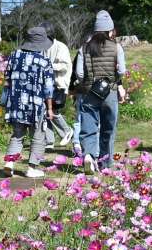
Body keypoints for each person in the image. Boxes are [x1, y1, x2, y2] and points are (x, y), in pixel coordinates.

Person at [1, 24, 57, 178]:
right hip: (36, 104)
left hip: (16, 102)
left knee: (17, 134)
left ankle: (9, 163)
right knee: (39, 135)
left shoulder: (15, 56)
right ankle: (32, 168)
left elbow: (7, 79)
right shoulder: (44, 60)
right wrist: (50, 109)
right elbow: (48, 88)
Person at [74, 11, 123, 171]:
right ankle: (105, 163)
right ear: (110, 30)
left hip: (90, 93)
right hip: (110, 92)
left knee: (88, 125)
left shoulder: (84, 48)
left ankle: (88, 155)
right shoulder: (117, 47)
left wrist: (86, 82)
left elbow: (80, 74)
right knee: (109, 128)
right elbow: (122, 71)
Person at [45, 30, 75, 150]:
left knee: (54, 110)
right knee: (44, 111)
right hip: (47, 84)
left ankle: (67, 131)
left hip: (59, 85)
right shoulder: (43, 47)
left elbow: (65, 66)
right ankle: (49, 141)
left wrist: (48, 66)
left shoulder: (61, 47)